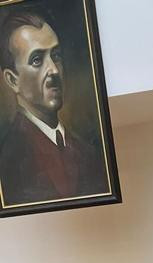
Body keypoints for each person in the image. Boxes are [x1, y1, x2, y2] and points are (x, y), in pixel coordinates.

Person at [0, 7, 108, 206]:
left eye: (56, 56)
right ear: (13, 80)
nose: (53, 70)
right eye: (37, 60)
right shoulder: (7, 158)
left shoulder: (89, 153)